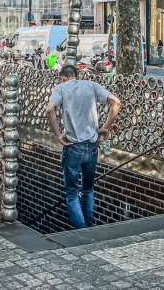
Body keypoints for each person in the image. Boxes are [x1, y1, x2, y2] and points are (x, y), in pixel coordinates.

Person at [45, 65, 122, 230]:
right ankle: (89, 228)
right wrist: (106, 127)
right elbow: (116, 102)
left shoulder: (60, 88)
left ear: (62, 78)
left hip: (73, 147)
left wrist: (58, 135)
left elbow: (49, 110)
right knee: (88, 189)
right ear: (77, 76)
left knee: (72, 193)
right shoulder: (91, 85)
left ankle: (81, 231)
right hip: (92, 146)